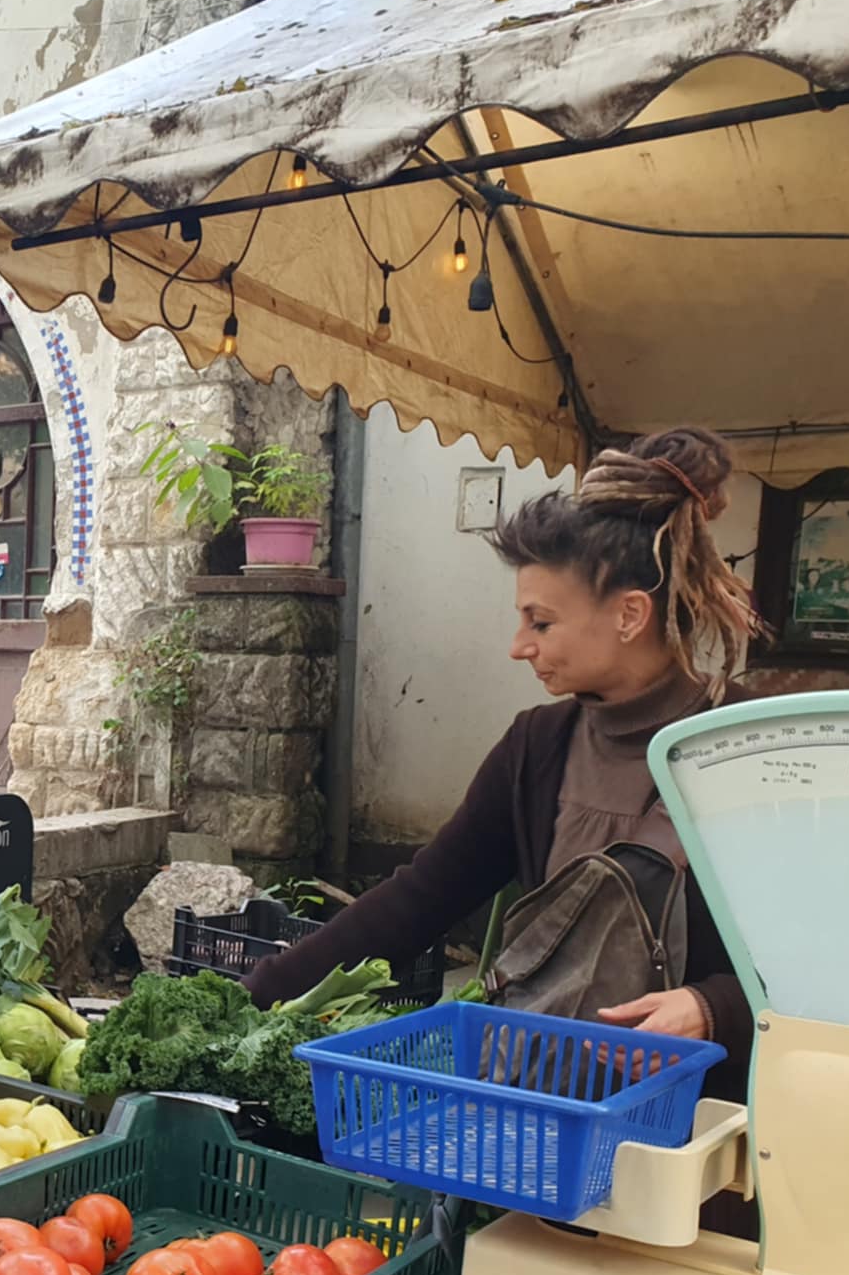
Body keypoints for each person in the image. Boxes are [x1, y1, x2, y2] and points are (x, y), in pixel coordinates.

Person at [242, 427, 767, 1102]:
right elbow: (419, 899)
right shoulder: (537, 748)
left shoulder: (749, 747)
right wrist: (257, 994)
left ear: (631, 614)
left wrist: (712, 1006)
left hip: (699, 1132)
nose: (520, 646)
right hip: (536, 1106)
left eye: (540, 622)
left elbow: (823, 951)